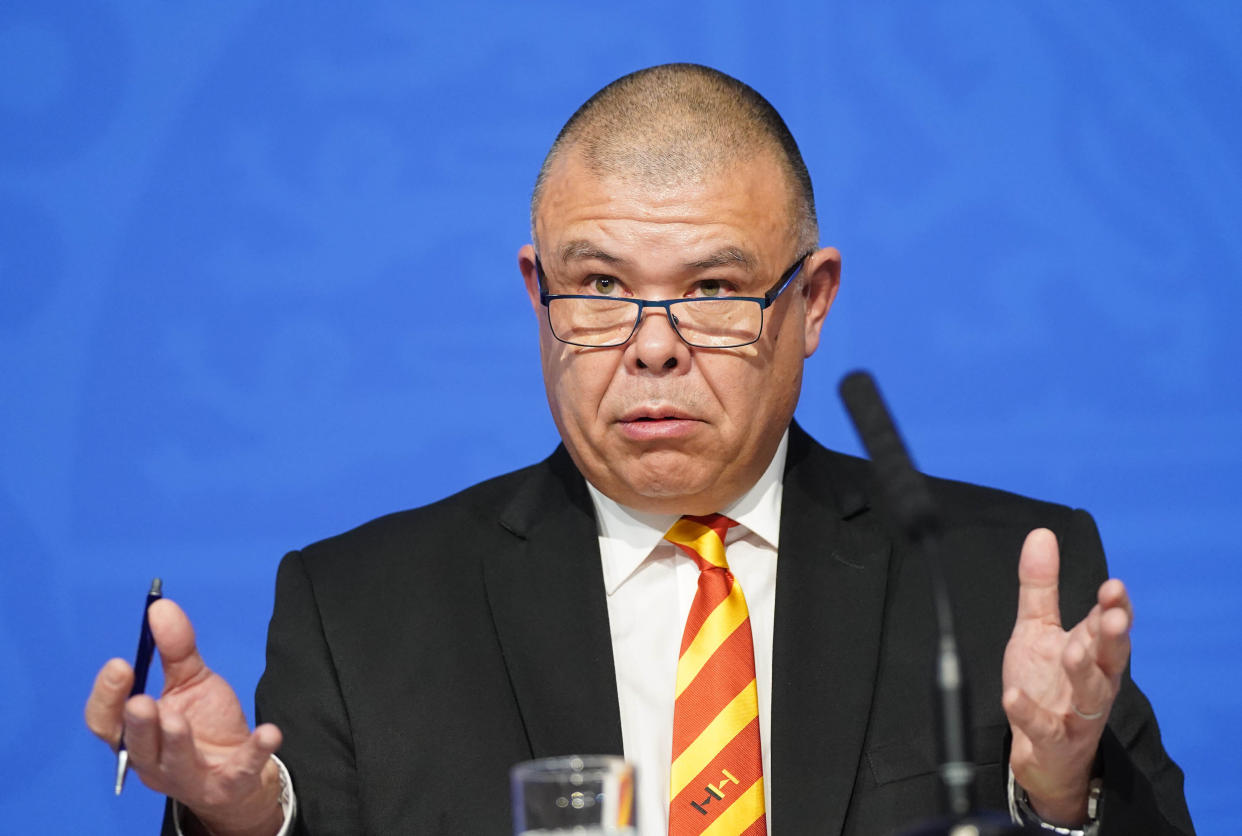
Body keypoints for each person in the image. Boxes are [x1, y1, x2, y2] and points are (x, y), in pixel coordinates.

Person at [85, 64, 1194, 835]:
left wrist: (1056, 791)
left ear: (811, 302)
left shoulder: (990, 581)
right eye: (601, 287)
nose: (651, 348)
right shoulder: (362, 604)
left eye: (713, 290)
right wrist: (242, 816)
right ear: (537, 292)